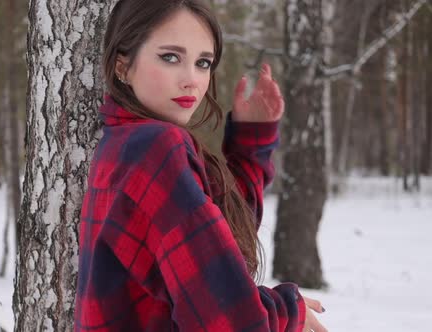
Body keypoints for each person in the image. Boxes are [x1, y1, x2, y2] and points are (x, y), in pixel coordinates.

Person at [74, 0, 327, 331]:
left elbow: (216, 250)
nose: (191, 80)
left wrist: (250, 146)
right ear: (123, 65)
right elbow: (228, 320)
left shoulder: (123, 145)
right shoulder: (156, 147)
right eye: (170, 57)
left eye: (203, 63)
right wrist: (287, 311)